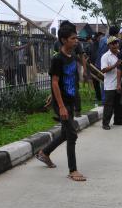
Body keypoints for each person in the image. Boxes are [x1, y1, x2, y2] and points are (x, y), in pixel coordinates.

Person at [36, 21, 86, 182]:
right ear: (64, 40)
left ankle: (44, 153)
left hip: (70, 100)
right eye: (73, 38)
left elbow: (67, 80)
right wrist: (61, 106)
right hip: (62, 104)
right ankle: (73, 170)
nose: (76, 41)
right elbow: (55, 82)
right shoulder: (58, 59)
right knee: (72, 134)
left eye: (76, 38)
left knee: (66, 133)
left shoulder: (71, 57)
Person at [100, 36, 122, 129]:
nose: (115, 45)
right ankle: (105, 123)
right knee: (109, 105)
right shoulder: (105, 56)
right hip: (110, 85)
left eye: (116, 43)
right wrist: (115, 65)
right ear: (108, 45)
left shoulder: (120, 54)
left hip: (119, 84)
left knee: (119, 104)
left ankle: (118, 121)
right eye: (113, 43)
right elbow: (103, 70)